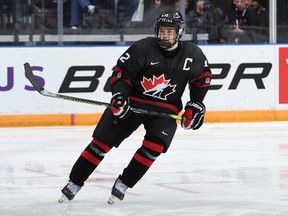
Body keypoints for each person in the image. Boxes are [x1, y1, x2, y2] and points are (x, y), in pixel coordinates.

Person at [58, 10, 212, 204]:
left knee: (154, 147)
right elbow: (121, 73)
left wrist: (196, 104)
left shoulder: (193, 54)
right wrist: (120, 96)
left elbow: (202, 80)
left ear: (179, 32)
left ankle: (124, 183)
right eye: (162, 30)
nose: (164, 35)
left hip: (166, 108)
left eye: (170, 31)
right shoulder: (144, 47)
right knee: (100, 144)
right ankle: (74, 182)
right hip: (132, 102)